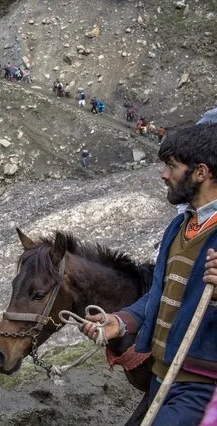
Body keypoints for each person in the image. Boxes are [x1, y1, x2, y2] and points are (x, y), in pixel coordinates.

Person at [80, 123, 217, 425]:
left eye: (172, 166)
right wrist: (119, 322)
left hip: (204, 385)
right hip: (162, 374)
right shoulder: (178, 228)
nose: (164, 175)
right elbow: (160, 295)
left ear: (200, 172)